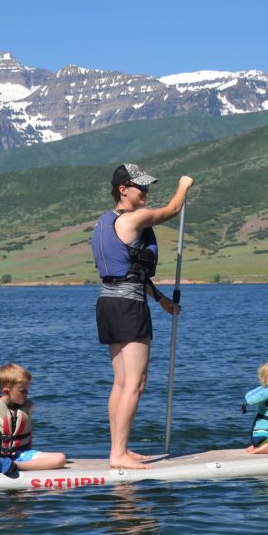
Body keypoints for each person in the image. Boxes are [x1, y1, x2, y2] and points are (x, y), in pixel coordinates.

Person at [92, 163, 193, 469]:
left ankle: (119, 448)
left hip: (108, 304)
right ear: (123, 190)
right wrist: (184, 184)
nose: (147, 192)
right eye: (141, 187)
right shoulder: (134, 219)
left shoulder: (104, 222)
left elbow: (130, 271)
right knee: (135, 383)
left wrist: (161, 300)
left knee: (121, 383)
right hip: (128, 308)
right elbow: (174, 209)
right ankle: (118, 454)